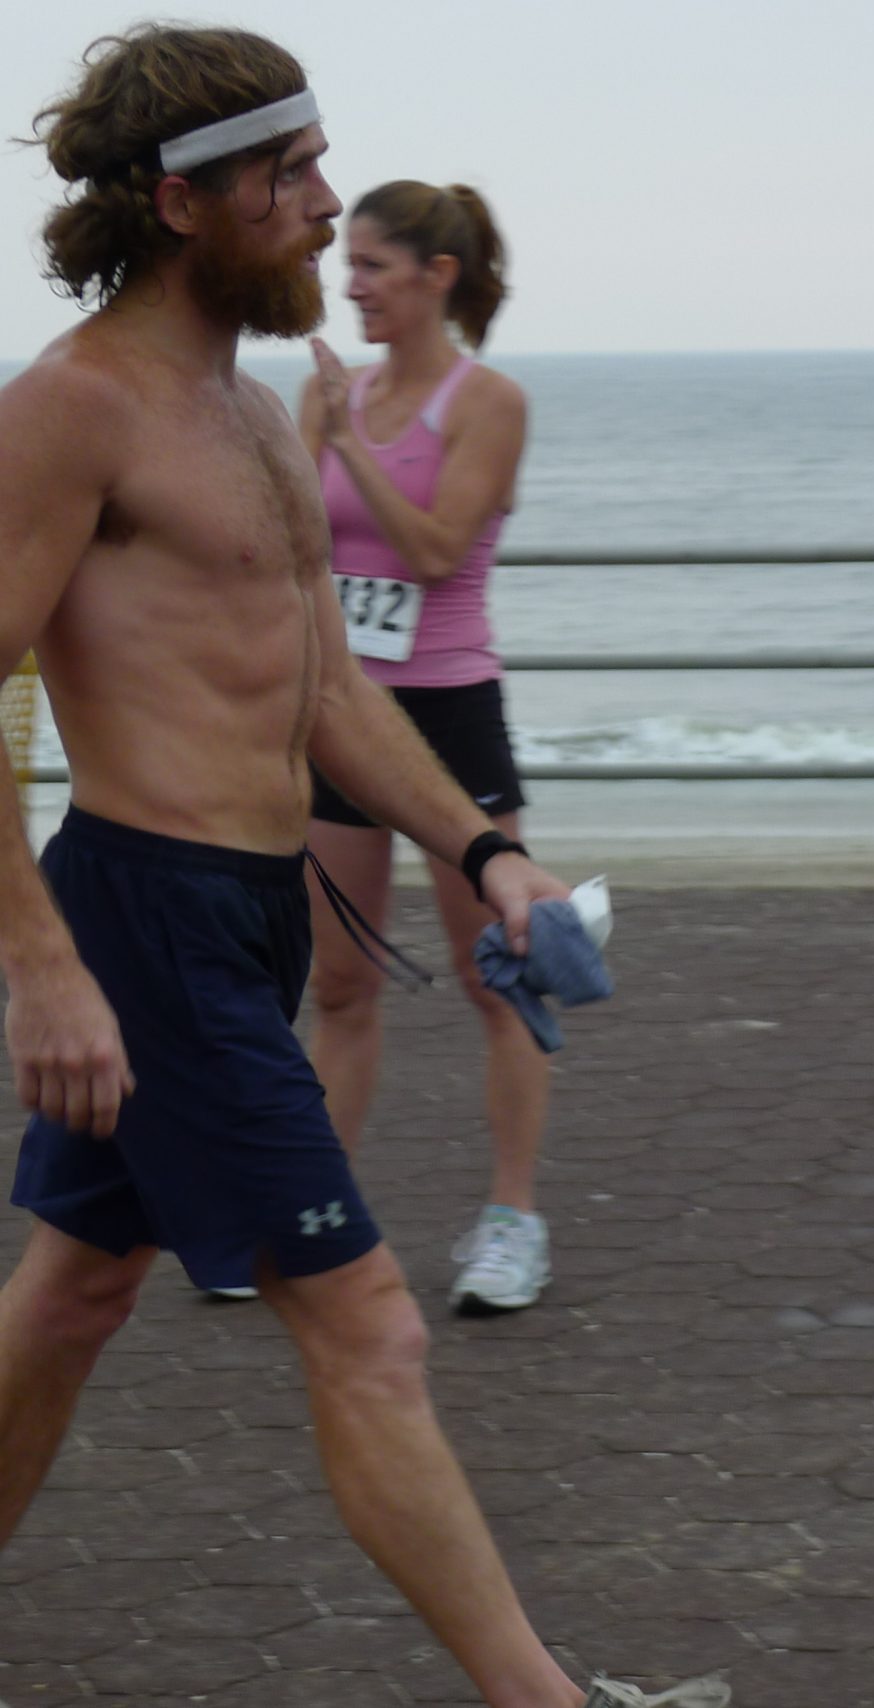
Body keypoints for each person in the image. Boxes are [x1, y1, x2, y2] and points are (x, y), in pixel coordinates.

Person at [0, 28, 723, 1706]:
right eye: (290, 177)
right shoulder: (69, 411)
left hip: (248, 911)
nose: (327, 209)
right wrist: (40, 962)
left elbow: (332, 692)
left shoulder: (257, 410)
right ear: (183, 204)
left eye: (324, 167)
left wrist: (491, 846)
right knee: (373, 1328)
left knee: (73, 1295)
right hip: (149, 918)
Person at [297, 180, 548, 1315]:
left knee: (493, 980)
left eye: (373, 266)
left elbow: (442, 551)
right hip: (339, 716)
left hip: (447, 716)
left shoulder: (485, 399)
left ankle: (511, 1221)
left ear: (437, 275)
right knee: (339, 986)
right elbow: (298, 547)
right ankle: (316, 1217)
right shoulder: (329, 392)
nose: (350, 284)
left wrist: (349, 436)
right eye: (344, 264)